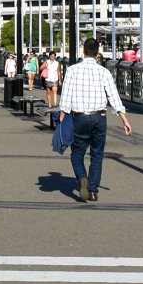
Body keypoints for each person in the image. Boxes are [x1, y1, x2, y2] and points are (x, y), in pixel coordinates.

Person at [58, 50, 134, 202]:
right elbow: (113, 96)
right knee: (97, 155)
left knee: (77, 153)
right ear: (96, 53)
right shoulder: (104, 71)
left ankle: (82, 177)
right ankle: (93, 191)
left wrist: (62, 115)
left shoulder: (72, 70)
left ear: (84, 52)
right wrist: (124, 119)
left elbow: (66, 94)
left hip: (80, 117)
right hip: (100, 117)